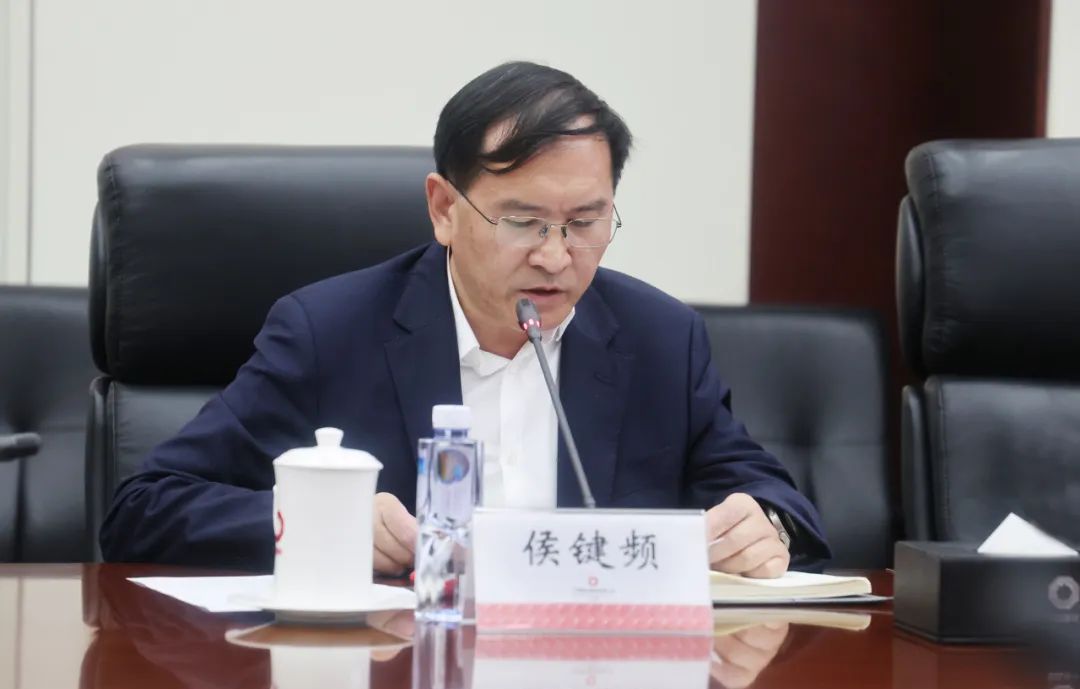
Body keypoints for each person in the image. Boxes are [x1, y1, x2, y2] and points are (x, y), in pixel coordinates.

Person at [100, 61, 831, 577]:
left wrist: (763, 526)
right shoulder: (329, 333)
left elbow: (775, 499)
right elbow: (143, 509)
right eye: (523, 222)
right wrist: (322, 527)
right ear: (445, 209)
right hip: (392, 677)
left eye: (586, 222)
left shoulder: (659, 339)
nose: (557, 256)